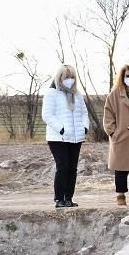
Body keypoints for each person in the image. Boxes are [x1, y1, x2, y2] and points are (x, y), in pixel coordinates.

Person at [42, 64, 90, 208]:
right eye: (66, 76)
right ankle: (59, 199)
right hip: (58, 138)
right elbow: (47, 115)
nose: (69, 79)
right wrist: (61, 129)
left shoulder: (77, 95)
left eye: (72, 77)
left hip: (76, 137)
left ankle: (69, 197)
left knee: (72, 168)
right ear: (60, 77)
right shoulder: (52, 93)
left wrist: (85, 128)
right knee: (63, 166)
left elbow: (84, 113)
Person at [103, 63, 129, 206]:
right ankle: (120, 195)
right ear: (122, 77)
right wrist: (112, 132)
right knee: (120, 168)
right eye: (127, 76)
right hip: (121, 136)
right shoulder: (115, 94)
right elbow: (108, 115)